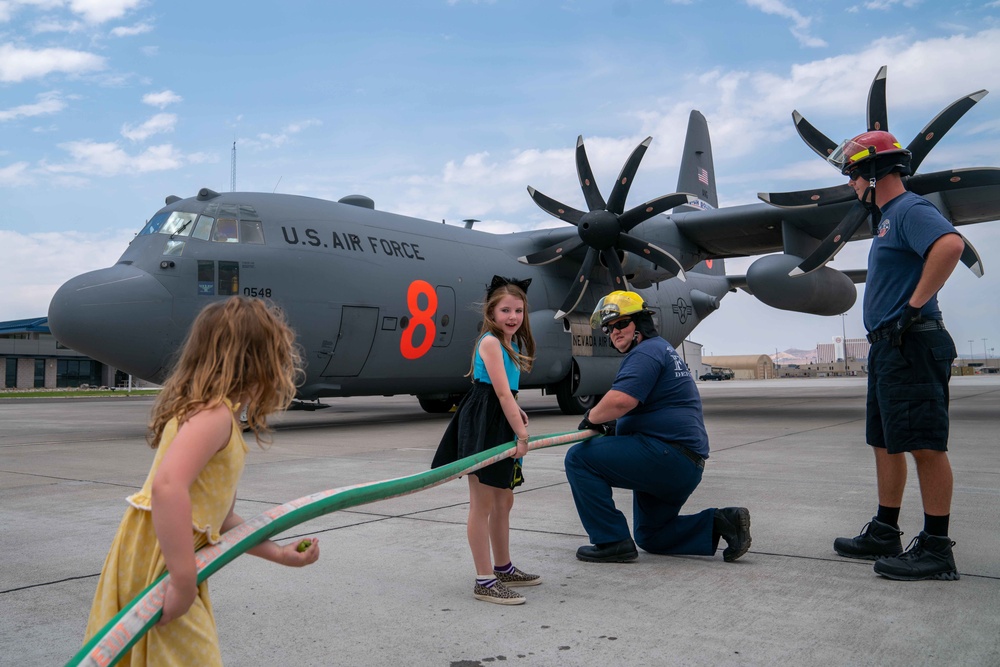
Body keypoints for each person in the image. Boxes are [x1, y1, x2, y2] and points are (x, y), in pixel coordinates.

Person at [84, 297, 321, 664]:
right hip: (164, 560)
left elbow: (221, 519)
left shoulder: (213, 416)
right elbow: (167, 488)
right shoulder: (214, 417)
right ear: (262, 361)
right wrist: (181, 580)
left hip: (167, 553)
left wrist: (278, 553)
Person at [829, 130, 964, 581]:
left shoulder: (908, 208)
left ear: (870, 171)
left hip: (913, 341)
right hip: (889, 347)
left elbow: (950, 245)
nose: (850, 183)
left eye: (852, 175)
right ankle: (886, 529)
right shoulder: (886, 219)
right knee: (885, 441)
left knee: (925, 444)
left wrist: (911, 308)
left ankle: (937, 547)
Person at [564, 290, 751, 563]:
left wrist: (592, 418)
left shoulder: (646, 352)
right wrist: (618, 427)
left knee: (579, 458)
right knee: (652, 535)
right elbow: (650, 405)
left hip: (666, 454)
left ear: (640, 324)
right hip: (681, 462)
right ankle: (723, 522)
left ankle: (611, 541)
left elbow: (620, 401)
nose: (614, 332)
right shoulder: (661, 349)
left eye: (620, 324)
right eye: (608, 328)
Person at [431, 275, 538, 605]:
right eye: (505, 310)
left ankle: (503, 567)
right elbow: (500, 394)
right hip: (483, 423)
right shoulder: (491, 342)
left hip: (500, 417)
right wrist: (521, 435)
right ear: (491, 313)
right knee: (483, 503)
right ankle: (484, 580)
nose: (512, 317)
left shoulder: (513, 343)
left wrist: (517, 413)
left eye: (518, 311)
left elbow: (509, 396)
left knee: (504, 500)